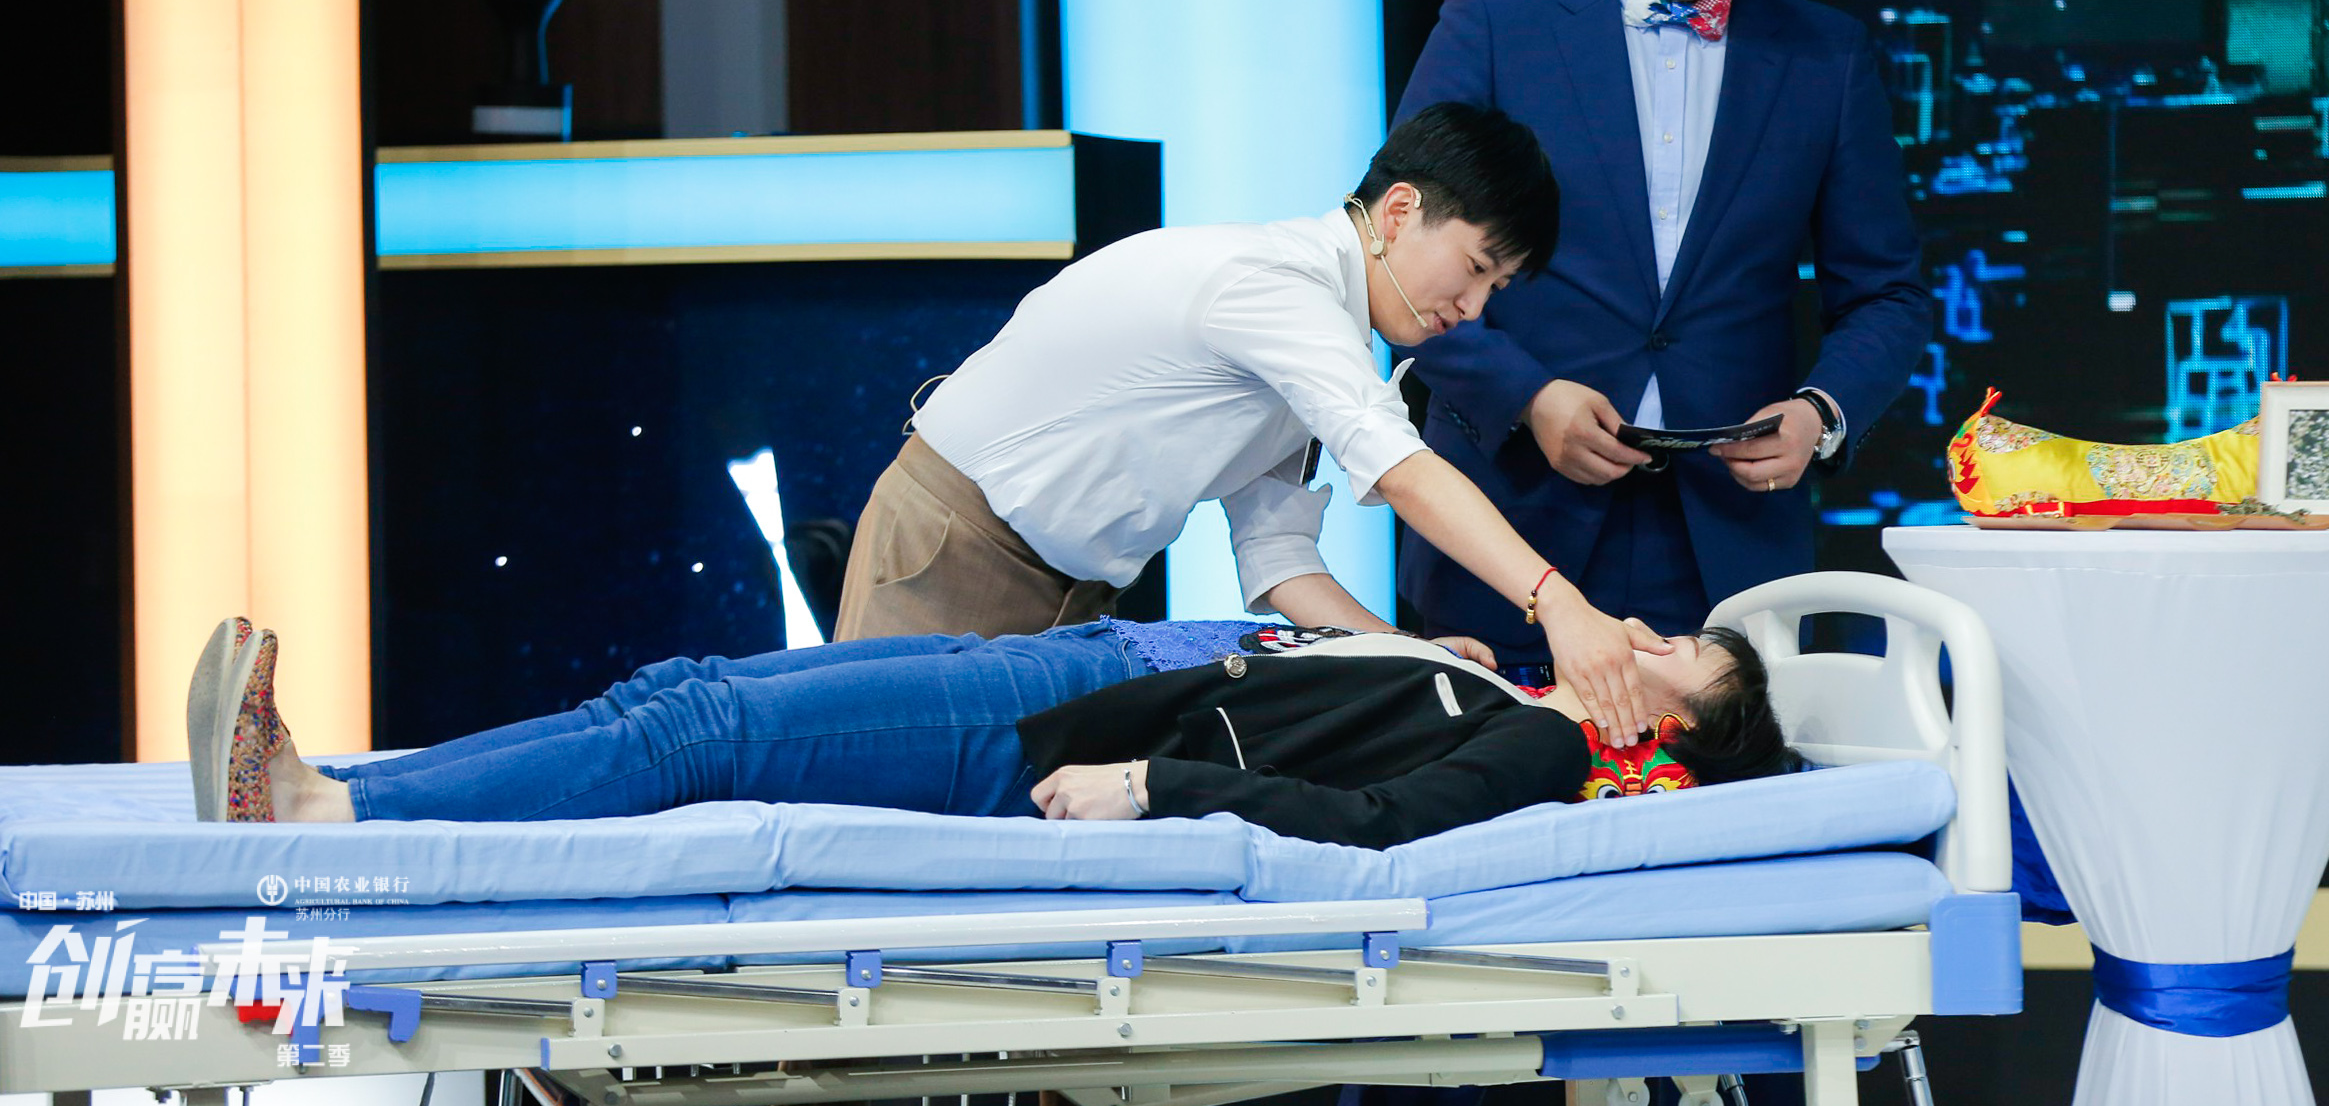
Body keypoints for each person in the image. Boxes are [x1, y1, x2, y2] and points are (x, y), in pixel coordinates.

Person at [838, 101, 1676, 740]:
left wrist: (1406, 654)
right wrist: (1557, 604)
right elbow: (1402, 472)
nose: (1473, 307)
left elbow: (1277, 558)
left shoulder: (1325, 331)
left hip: (1076, 593)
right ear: (1397, 212)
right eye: (1474, 268)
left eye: (1496, 288)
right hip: (958, 542)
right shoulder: (1278, 286)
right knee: (864, 795)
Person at [1393, 0, 1933, 671]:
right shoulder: (1496, 18)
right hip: (1510, 517)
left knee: (1728, 770)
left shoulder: (1824, 56)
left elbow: (1886, 292)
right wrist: (1528, 396)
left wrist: (1818, 414)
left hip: (1729, 539)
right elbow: (1395, 261)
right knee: (1496, 762)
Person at [189, 615, 1786, 851]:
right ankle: (340, 791)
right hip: (1077, 663)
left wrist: (1155, 783)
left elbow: (1373, 827)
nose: (1638, 638)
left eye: (1672, 658)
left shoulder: (1540, 757)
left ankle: (326, 821)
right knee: (682, 698)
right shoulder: (1501, 692)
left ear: (1659, 739)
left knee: (701, 729)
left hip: (1037, 730)